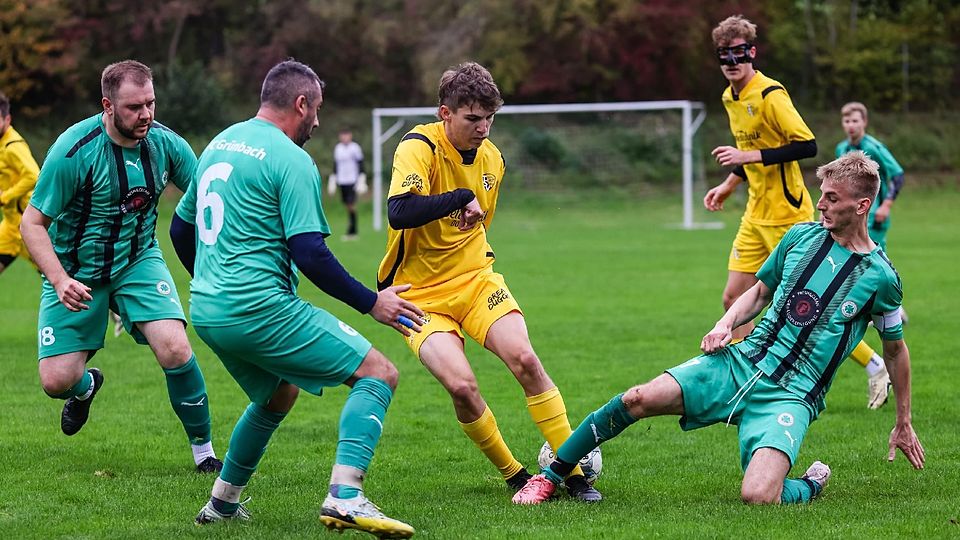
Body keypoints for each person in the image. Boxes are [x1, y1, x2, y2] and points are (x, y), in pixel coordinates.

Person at [514, 151, 925, 505]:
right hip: (743, 360)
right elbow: (760, 292)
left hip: (793, 394)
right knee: (638, 397)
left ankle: (811, 485)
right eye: (821, 195)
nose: (820, 205)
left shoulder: (881, 277)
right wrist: (725, 323)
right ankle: (549, 478)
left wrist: (902, 421)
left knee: (759, 496)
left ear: (862, 205)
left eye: (832, 199)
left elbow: (895, 351)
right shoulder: (800, 237)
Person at [171, 60, 421, 538]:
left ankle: (221, 505)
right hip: (257, 308)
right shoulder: (291, 159)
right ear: (300, 103)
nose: (318, 122)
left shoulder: (220, 142)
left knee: (276, 393)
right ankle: (346, 496)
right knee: (378, 373)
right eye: (317, 110)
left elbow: (181, 228)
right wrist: (374, 302)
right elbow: (310, 252)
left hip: (206, 308)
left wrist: (213, 280)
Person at [376, 61, 600, 502]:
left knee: (526, 360)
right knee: (462, 386)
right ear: (445, 113)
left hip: (476, 279)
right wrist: (459, 198)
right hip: (418, 294)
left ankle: (570, 472)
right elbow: (399, 211)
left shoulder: (494, 159)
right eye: (472, 119)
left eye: (489, 119)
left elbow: (478, 225)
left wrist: (468, 210)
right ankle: (515, 475)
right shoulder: (418, 146)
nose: (483, 129)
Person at [19, 60, 222, 472]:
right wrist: (59, 279)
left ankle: (205, 454)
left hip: (138, 260)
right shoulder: (73, 151)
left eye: (150, 103)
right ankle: (85, 387)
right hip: (75, 271)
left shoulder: (166, 144)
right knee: (56, 382)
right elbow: (32, 223)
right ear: (107, 106)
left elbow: (210, 197)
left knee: (176, 348)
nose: (146, 114)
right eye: (134, 107)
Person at [703, 15, 818, 342]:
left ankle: (873, 363)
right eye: (723, 54)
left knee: (804, 304)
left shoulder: (770, 94)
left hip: (788, 214)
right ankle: (744, 374)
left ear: (752, 52)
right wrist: (728, 185)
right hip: (756, 213)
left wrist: (746, 157)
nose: (731, 61)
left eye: (738, 52)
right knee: (732, 299)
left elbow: (807, 145)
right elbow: (749, 147)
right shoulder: (730, 97)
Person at [836, 101, 907, 409]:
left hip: (874, 216)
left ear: (864, 122)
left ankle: (887, 308)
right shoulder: (842, 147)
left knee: (871, 263)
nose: (851, 125)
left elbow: (898, 175)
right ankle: (886, 311)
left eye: (856, 120)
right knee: (858, 265)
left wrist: (887, 204)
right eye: (847, 121)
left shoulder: (874, 147)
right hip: (852, 216)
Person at [0, 91, 40, 275]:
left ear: (7, 119)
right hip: (10, 225)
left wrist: (5, 197)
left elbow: (33, 175)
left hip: (27, 224)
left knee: (56, 277)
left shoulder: (12, 146)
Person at [329, 128, 366, 240]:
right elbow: (336, 165)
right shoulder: (338, 148)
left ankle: (353, 231)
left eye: (346, 135)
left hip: (352, 180)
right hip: (342, 181)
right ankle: (351, 230)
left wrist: (361, 178)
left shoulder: (355, 148)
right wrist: (333, 180)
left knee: (351, 205)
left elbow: (360, 163)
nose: (344, 137)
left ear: (350, 136)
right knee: (347, 205)